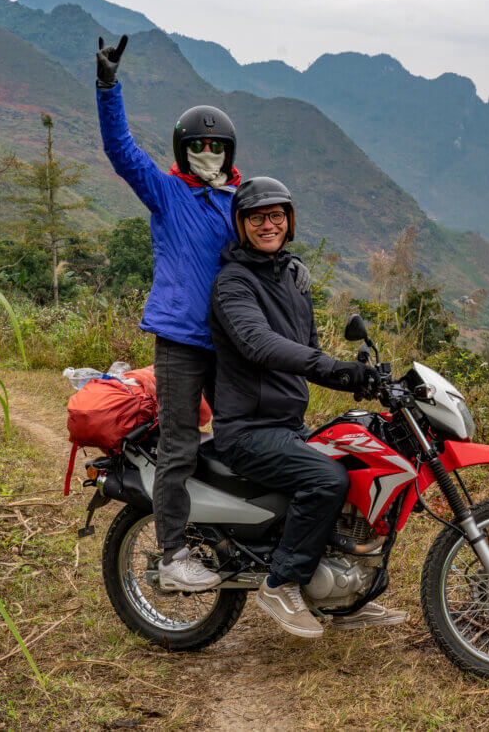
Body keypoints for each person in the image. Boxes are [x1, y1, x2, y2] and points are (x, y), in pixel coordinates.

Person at [95, 36, 311, 592]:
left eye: (217, 148)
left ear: (231, 153)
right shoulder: (167, 193)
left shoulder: (239, 199)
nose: (208, 156)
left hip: (233, 340)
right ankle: (170, 554)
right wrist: (107, 88)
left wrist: (293, 268)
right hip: (182, 338)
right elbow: (122, 152)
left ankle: (244, 533)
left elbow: (266, 235)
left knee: (254, 432)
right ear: (183, 150)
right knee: (181, 442)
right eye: (198, 148)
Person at [209, 176, 408, 638]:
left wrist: (360, 381)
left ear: (289, 221)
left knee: (358, 462)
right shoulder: (232, 283)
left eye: (276, 215)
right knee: (325, 479)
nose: (268, 224)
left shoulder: (293, 280)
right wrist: (337, 367)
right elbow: (259, 345)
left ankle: (342, 599)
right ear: (241, 225)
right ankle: (281, 583)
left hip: (286, 424)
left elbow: (308, 353)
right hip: (247, 430)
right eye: (256, 217)